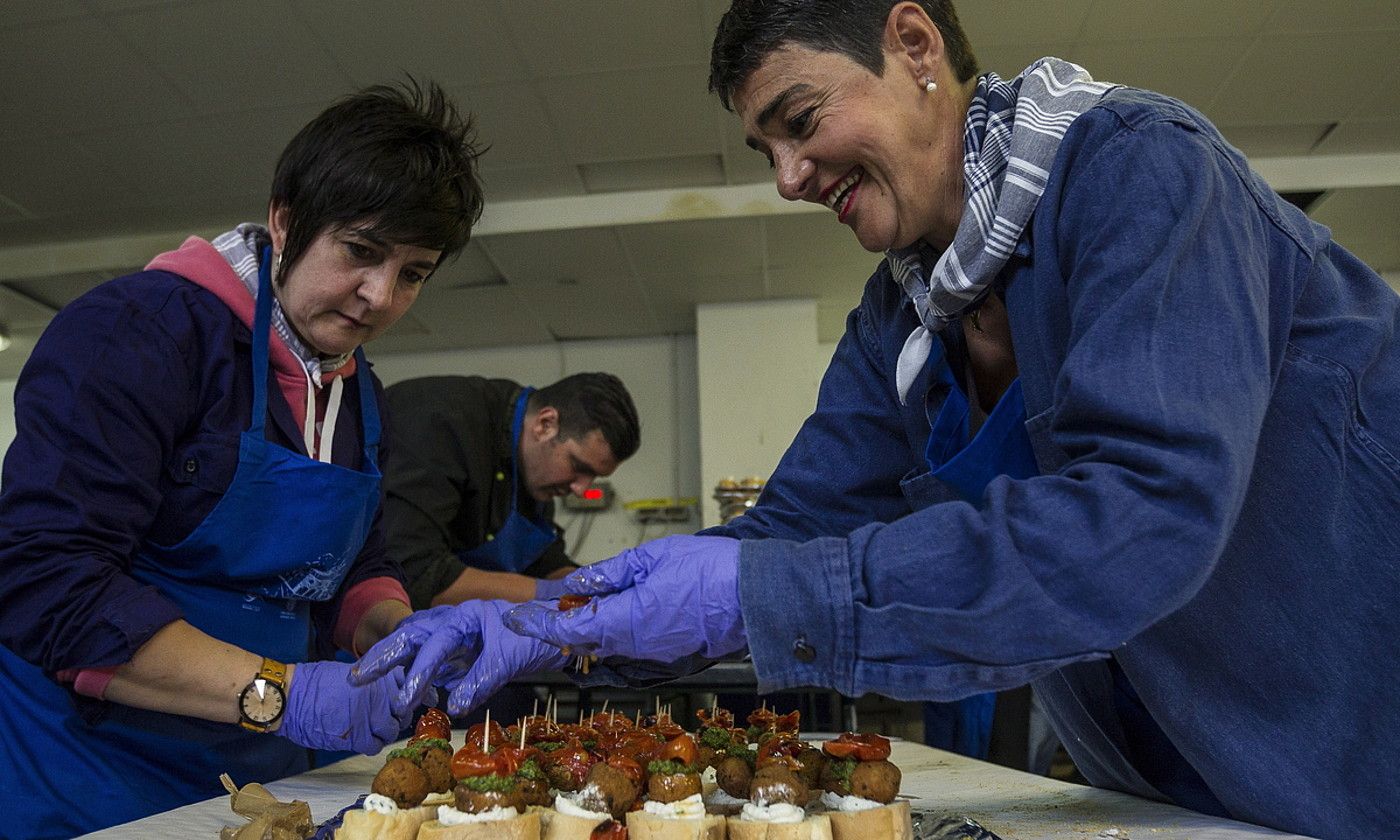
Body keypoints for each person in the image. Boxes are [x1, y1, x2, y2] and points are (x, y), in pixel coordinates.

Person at [351, 2, 1400, 836]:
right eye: (765, 149)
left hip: (1352, 756)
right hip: (1159, 777)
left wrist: (755, 596)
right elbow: (790, 530)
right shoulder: (899, 314)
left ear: (913, 45)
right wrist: (554, 623)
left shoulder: (1141, 172)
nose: (787, 180)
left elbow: (1143, 516)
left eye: (800, 121)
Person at [0, 79, 485, 837]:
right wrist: (289, 695)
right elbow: (48, 581)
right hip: (87, 780)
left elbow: (353, 567)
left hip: (258, 776)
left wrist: (397, 633)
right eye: (361, 252)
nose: (380, 295)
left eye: (414, 273)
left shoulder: (360, 394)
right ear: (285, 220)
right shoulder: (138, 334)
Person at [381, 373, 640, 610]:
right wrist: (551, 593)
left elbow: (539, 558)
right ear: (545, 424)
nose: (581, 489)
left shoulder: (534, 470)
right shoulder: (440, 422)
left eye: (593, 477)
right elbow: (415, 572)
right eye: (578, 466)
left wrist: (587, 586)